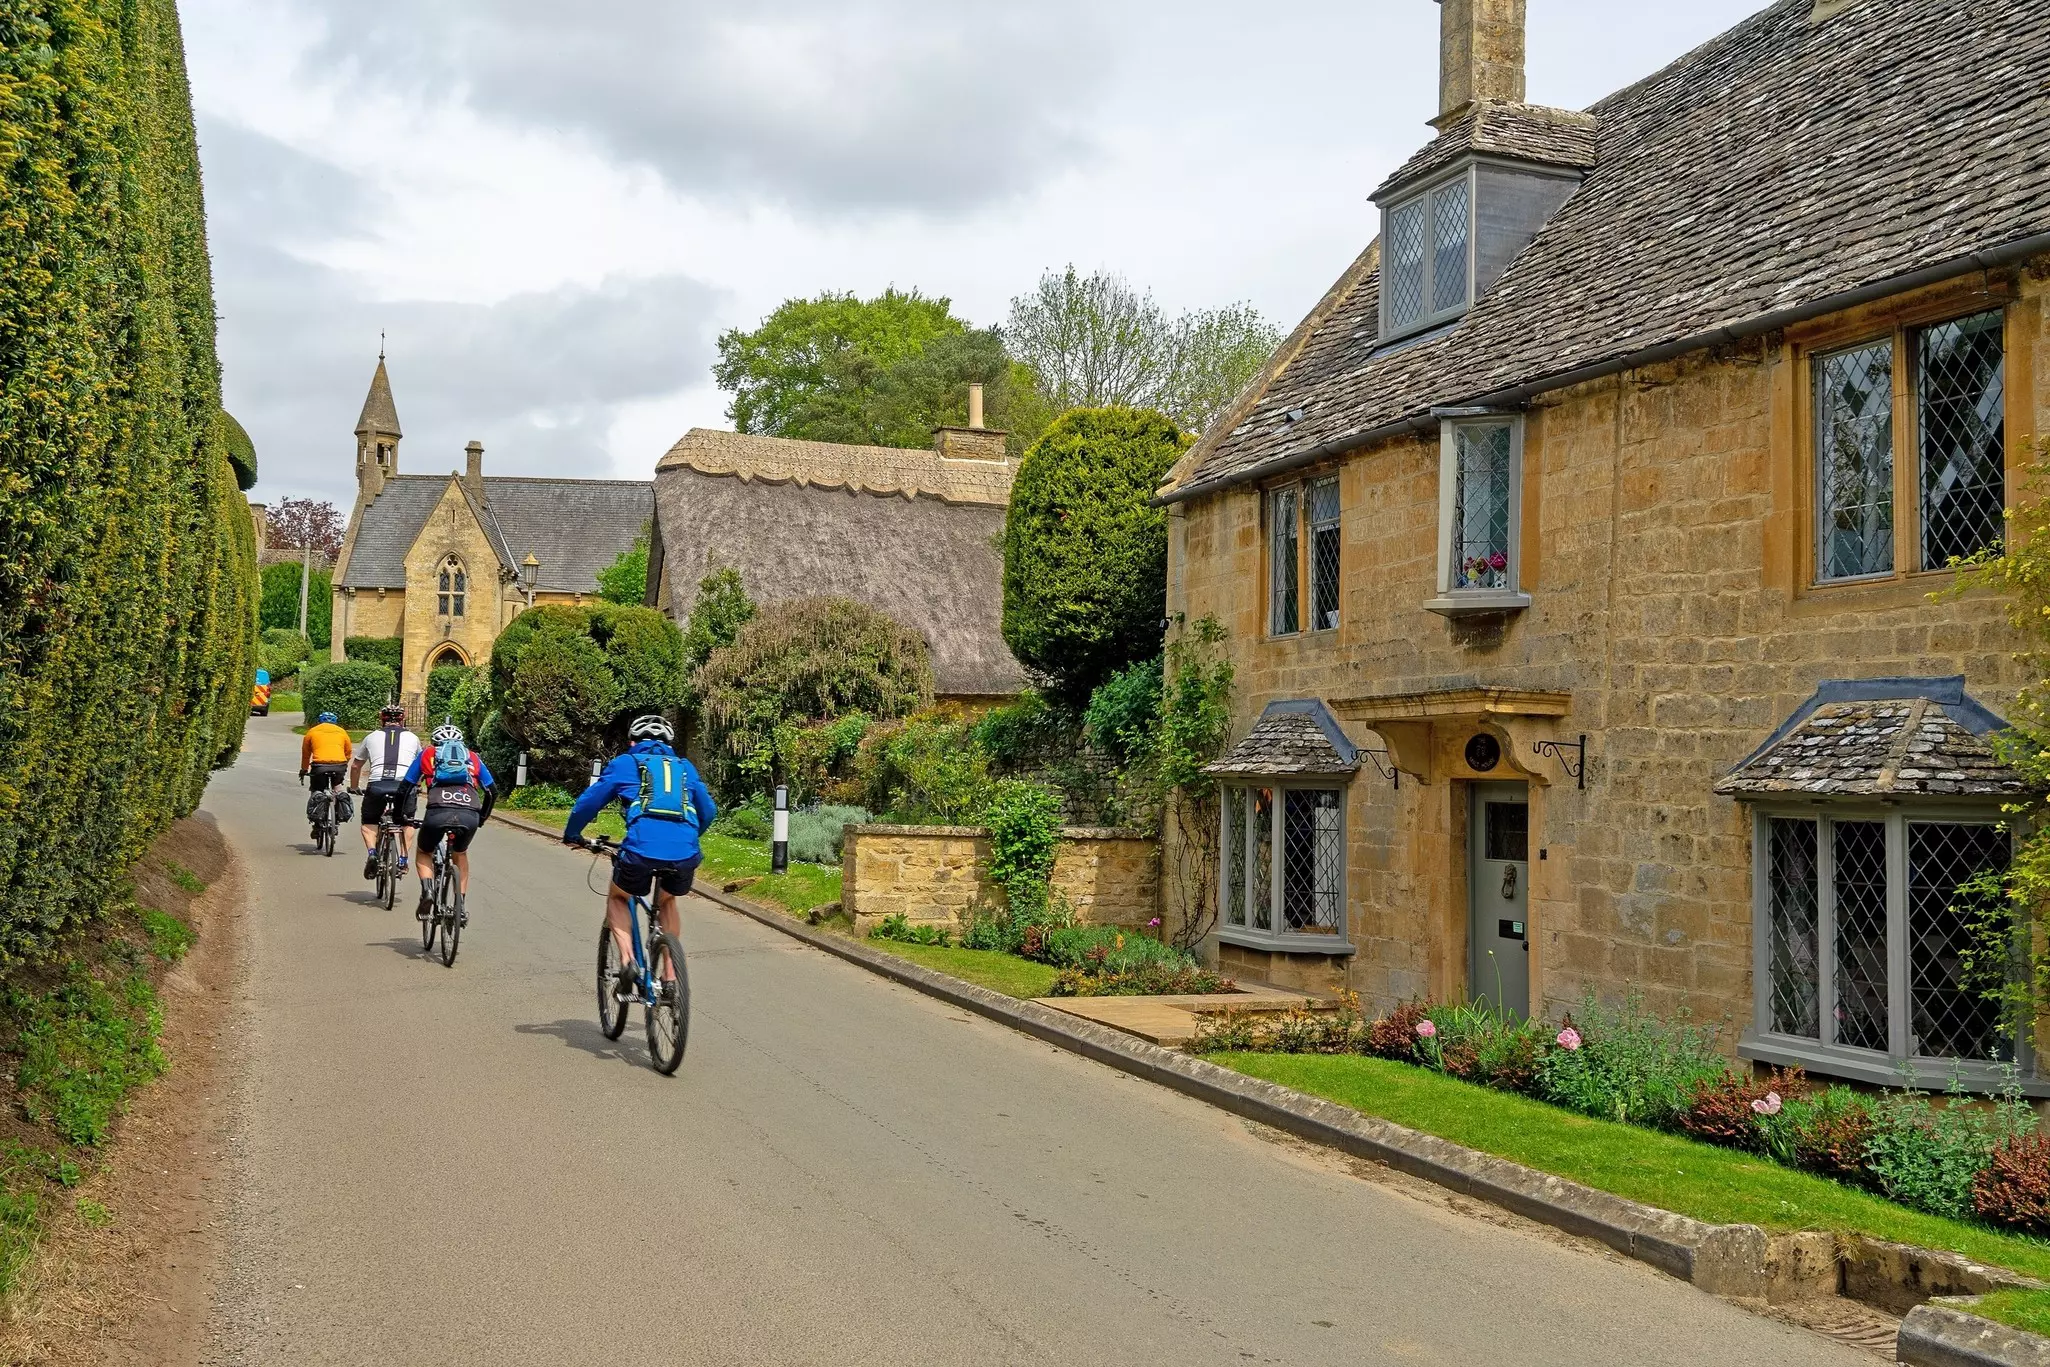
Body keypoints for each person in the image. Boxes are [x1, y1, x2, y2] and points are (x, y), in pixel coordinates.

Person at [562, 715, 716, 997]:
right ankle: (670, 977)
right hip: (685, 851)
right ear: (670, 744)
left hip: (641, 849)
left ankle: (628, 961)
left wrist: (573, 834)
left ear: (632, 742)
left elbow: (588, 803)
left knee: (619, 896)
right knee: (668, 901)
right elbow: (709, 811)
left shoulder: (625, 764)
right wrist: (690, 839)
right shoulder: (685, 768)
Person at [402, 723, 495, 925]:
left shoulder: (428, 754)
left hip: (438, 811)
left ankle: (427, 891)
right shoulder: (472, 757)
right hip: (469, 812)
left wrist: (402, 816)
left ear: (435, 743)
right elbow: (491, 791)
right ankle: (460, 906)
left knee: (424, 851)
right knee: (460, 854)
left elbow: (406, 786)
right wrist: (482, 818)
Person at [350, 704, 421, 879]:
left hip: (378, 784)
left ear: (382, 719)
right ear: (402, 719)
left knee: (369, 821)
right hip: (404, 786)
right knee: (407, 823)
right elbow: (419, 766)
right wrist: (417, 786)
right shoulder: (413, 737)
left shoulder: (371, 736)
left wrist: (353, 787)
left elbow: (356, 765)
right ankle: (403, 859)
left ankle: (373, 853)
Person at [299, 712, 353, 840]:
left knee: (316, 789)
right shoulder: (342, 732)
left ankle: (317, 824)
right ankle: (338, 814)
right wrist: (344, 764)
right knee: (337, 786)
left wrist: (304, 769)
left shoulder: (312, 732)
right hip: (339, 765)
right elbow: (348, 752)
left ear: (319, 721)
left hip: (319, 766)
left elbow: (306, 754)